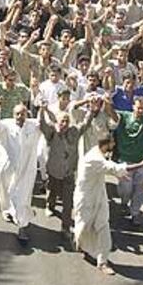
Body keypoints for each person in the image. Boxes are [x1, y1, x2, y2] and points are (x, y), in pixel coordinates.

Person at [74, 137, 143, 275]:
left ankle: (102, 262)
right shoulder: (93, 158)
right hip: (85, 199)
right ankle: (80, 243)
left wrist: (118, 174)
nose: (115, 145)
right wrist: (141, 164)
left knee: (103, 226)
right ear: (106, 144)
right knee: (83, 227)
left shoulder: (98, 152)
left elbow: (110, 167)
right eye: (113, 143)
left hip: (99, 196)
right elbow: (114, 167)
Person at [39, 102, 93, 242]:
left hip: (68, 173)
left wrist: (92, 111)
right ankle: (50, 205)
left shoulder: (74, 131)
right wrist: (41, 111)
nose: (64, 123)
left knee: (68, 202)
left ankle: (65, 227)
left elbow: (85, 124)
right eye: (62, 121)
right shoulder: (52, 132)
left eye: (67, 121)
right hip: (54, 171)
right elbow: (43, 125)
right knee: (52, 192)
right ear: (57, 122)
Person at [0, 103, 41, 242]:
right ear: (13, 115)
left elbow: (48, 124)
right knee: (5, 193)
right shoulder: (6, 124)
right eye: (17, 114)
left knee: (21, 197)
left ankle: (22, 227)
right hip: (6, 168)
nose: (20, 117)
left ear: (27, 114)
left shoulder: (33, 125)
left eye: (22, 113)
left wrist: (44, 108)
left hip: (25, 171)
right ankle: (7, 210)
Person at [112, 97, 143, 225]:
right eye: (138, 107)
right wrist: (106, 101)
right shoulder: (124, 116)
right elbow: (112, 114)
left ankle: (135, 213)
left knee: (140, 189)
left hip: (142, 161)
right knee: (125, 189)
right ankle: (124, 202)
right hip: (125, 161)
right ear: (133, 106)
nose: (140, 110)